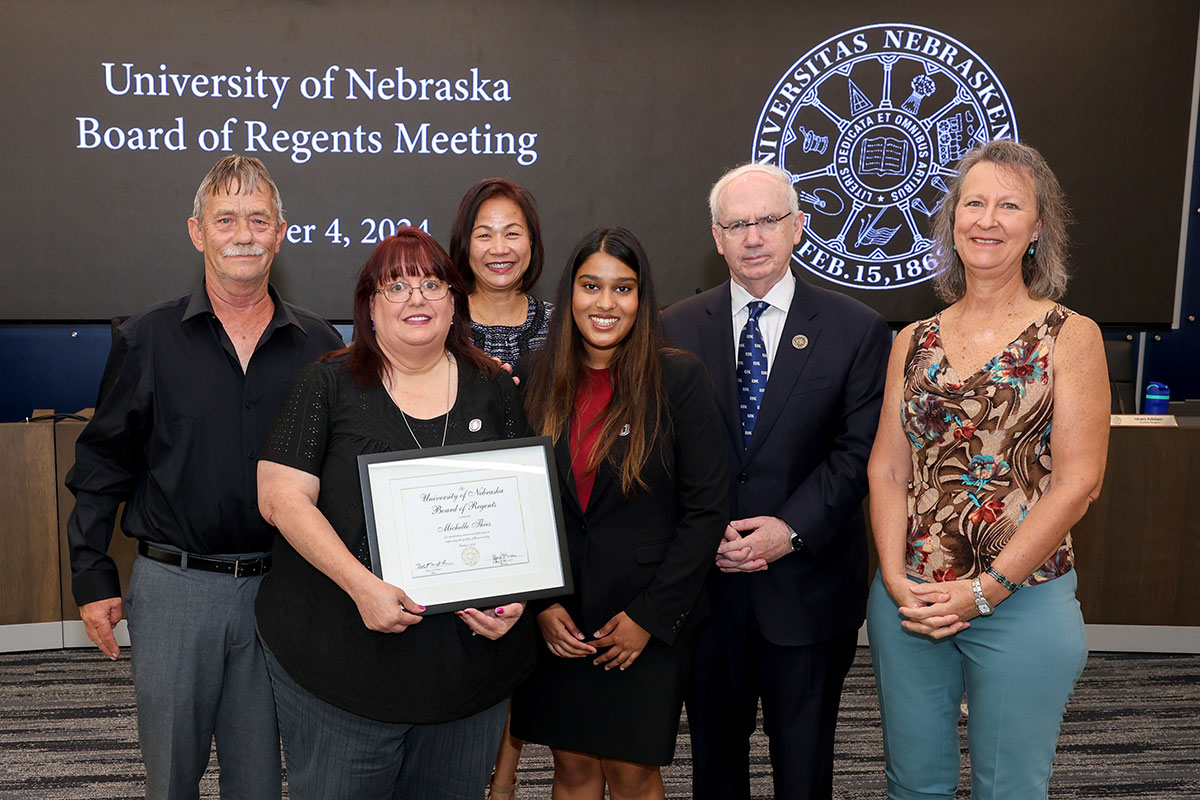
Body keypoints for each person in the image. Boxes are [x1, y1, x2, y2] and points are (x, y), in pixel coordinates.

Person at [65, 154, 344, 799]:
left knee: (260, 782)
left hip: (280, 592)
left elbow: (336, 473)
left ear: (281, 232)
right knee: (171, 778)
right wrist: (92, 576)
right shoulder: (146, 339)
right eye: (226, 219)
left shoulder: (318, 346)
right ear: (197, 233)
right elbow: (103, 463)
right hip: (173, 591)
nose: (243, 233)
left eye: (258, 218)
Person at [254, 227, 537, 799]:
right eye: (396, 286)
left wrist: (519, 595)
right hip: (346, 665)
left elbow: (526, 509)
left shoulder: (494, 388)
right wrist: (362, 586)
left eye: (432, 284)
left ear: (454, 300)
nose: (417, 299)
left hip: (466, 674)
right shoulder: (328, 383)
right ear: (369, 307)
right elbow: (279, 498)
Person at [865, 140, 1109, 799]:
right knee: (912, 787)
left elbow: (1079, 480)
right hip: (911, 601)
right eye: (974, 203)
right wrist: (892, 578)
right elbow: (888, 471)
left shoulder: (1069, 334)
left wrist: (989, 588)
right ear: (952, 221)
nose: (988, 219)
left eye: (1009, 205)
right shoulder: (912, 341)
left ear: (1037, 229)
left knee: (1010, 789)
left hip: (1022, 599)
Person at [662, 163, 892, 800]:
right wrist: (700, 532)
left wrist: (789, 530)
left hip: (808, 590)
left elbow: (858, 454)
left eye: (768, 221)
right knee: (714, 767)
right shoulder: (672, 329)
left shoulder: (856, 329)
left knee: (804, 770)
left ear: (798, 227)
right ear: (717, 239)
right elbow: (661, 454)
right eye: (738, 225)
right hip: (706, 594)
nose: (754, 237)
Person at [510, 226, 729, 800]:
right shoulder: (534, 379)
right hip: (562, 620)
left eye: (623, 288)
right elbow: (519, 505)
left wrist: (649, 619)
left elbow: (708, 510)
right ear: (570, 293)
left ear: (642, 298)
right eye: (590, 286)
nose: (605, 304)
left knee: (633, 774)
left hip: (648, 618)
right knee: (573, 769)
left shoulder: (678, 377)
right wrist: (542, 603)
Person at [449, 177, 553, 365]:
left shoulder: (560, 326)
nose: (499, 249)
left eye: (512, 233)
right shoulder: (444, 324)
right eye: (484, 235)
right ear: (465, 245)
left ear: (531, 240)